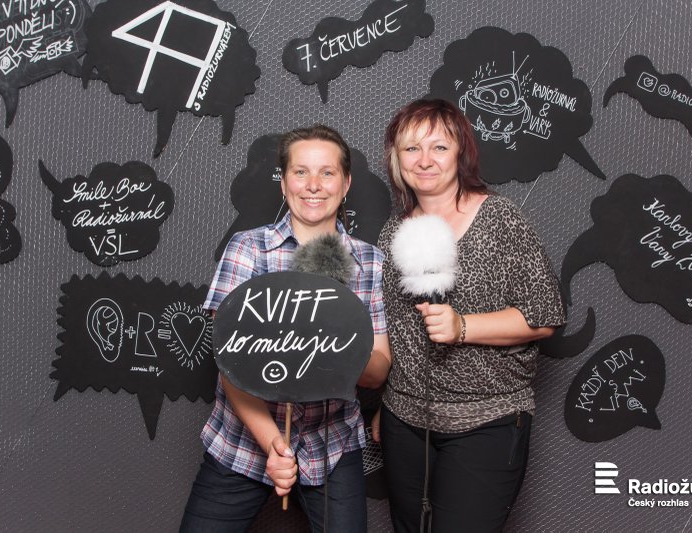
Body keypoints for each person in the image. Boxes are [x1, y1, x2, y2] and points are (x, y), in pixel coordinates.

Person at [181, 125, 392, 533]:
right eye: (300, 172)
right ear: (284, 182)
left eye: (327, 173)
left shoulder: (370, 262)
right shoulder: (248, 249)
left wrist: (336, 339)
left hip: (331, 443)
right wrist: (273, 444)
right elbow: (231, 361)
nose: (313, 185)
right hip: (243, 441)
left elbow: (379, 369)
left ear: (346, 183)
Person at [373, 99, 565, 533]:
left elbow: (546, 315)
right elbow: (396, 331)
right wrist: (389, 401)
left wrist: (463, 327)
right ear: (396, 159)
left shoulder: (499, 219)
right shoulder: (393, 232)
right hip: (405, 422)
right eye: (411, 149)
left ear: (460, 153)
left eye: (439, 147)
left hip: (486, 422)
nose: (424, 160)